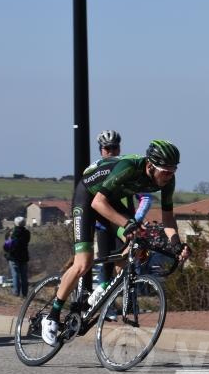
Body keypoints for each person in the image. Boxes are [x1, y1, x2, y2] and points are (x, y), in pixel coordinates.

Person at [41, 140, 190, 346]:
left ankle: (102, 289)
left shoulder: (167, 181)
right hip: (89, 197)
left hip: (110, 202)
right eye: (165, 171)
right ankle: (52, 316)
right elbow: (97, 203)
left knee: (137, 246)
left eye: (173, 171)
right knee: (83, 262)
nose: (169, 176)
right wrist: (127, 224)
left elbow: (168, 219)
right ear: (150, 165)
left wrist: (177, 245)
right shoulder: (129, 167)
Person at [88, 130, 153, 316]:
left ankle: (108, 300)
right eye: (107, 148)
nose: (111, 151)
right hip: (101, 224)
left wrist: (135, 221)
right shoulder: (97, 169)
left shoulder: (126, 168)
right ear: (101, 150)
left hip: (122, 224)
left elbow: (146, 198)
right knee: (105, 263)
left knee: (121, 261)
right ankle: (100, 300)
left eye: (114, 147)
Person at [4, 216, 31, 297]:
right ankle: (25, 293)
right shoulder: (27, 233)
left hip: (13, 257)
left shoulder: (10, 233)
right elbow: (27, 241)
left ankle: (16, 293)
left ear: (15, 223)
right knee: (24, 276)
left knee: (15, 275)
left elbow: (6, 246)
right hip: (23, 256)